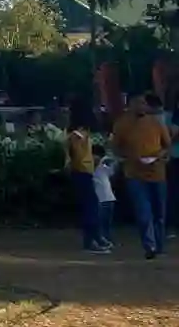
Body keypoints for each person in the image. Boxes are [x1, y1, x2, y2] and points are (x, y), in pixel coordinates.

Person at [111, 92, 173, 259]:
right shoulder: (122, 124)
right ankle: (150, 246)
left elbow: (167, 145)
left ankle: (159, 246)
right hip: (134, 174)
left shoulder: (156, 123)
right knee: (143, 212)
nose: (141, 107)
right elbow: (115, 148)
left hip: (157, 173)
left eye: (143, 103)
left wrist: (159, 156)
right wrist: (130, 157)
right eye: (137, 103)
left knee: (160, 213)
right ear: (130, 105)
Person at [66, 100, 101, 252]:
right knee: (90, 207)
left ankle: (93, 239)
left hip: (83, 171)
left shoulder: (78, 134)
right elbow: (78, 156)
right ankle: (91, 241)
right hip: (82, 172)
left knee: (91, 207)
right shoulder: (77, 135)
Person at [94, 149, 117, 253]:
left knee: (107, 223)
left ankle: (107, 240)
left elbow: (113, 165)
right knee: (101, 222)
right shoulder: (91, 169)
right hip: (100, 199)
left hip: (109, 198)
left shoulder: (104, 168)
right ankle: (101, 241)